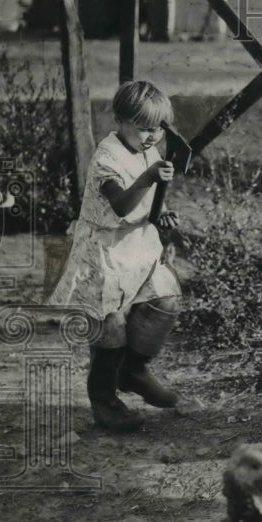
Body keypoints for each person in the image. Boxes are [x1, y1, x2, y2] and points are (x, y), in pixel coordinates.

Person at [47, 80, 183, 432]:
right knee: (110, 330)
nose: (152, 136)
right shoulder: (106, 158)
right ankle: (104, 403)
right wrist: (149, 178)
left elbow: (150, 197)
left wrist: (162, 208)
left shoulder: (148, 148)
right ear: (120, 120)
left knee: (164, 301)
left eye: (158, 128)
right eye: (143, 128)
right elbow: (121, 205)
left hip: (138, 245)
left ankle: (134, 369)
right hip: (104, 252)